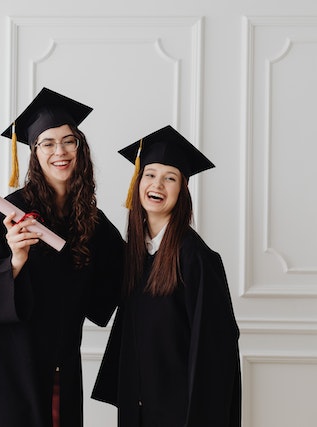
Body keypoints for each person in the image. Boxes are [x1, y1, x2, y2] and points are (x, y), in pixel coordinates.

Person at [0, 88, 125, 427]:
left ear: (80, 148)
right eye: (48, 143)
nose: (60, 151)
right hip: (11, 365)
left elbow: (119, 276)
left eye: (69, 141)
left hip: (62, 362)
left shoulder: (91, 219)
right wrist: (14, 261)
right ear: (34, 153)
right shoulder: (9, 215)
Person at [92, 125, 241, 426]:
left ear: (182, 190)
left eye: (169, 177)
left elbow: (215, 353)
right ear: (137, 182)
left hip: (180, 412)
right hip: (138, 407)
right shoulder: (135, 253)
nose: (157, 183)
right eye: (149, 174)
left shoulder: (196, 258)